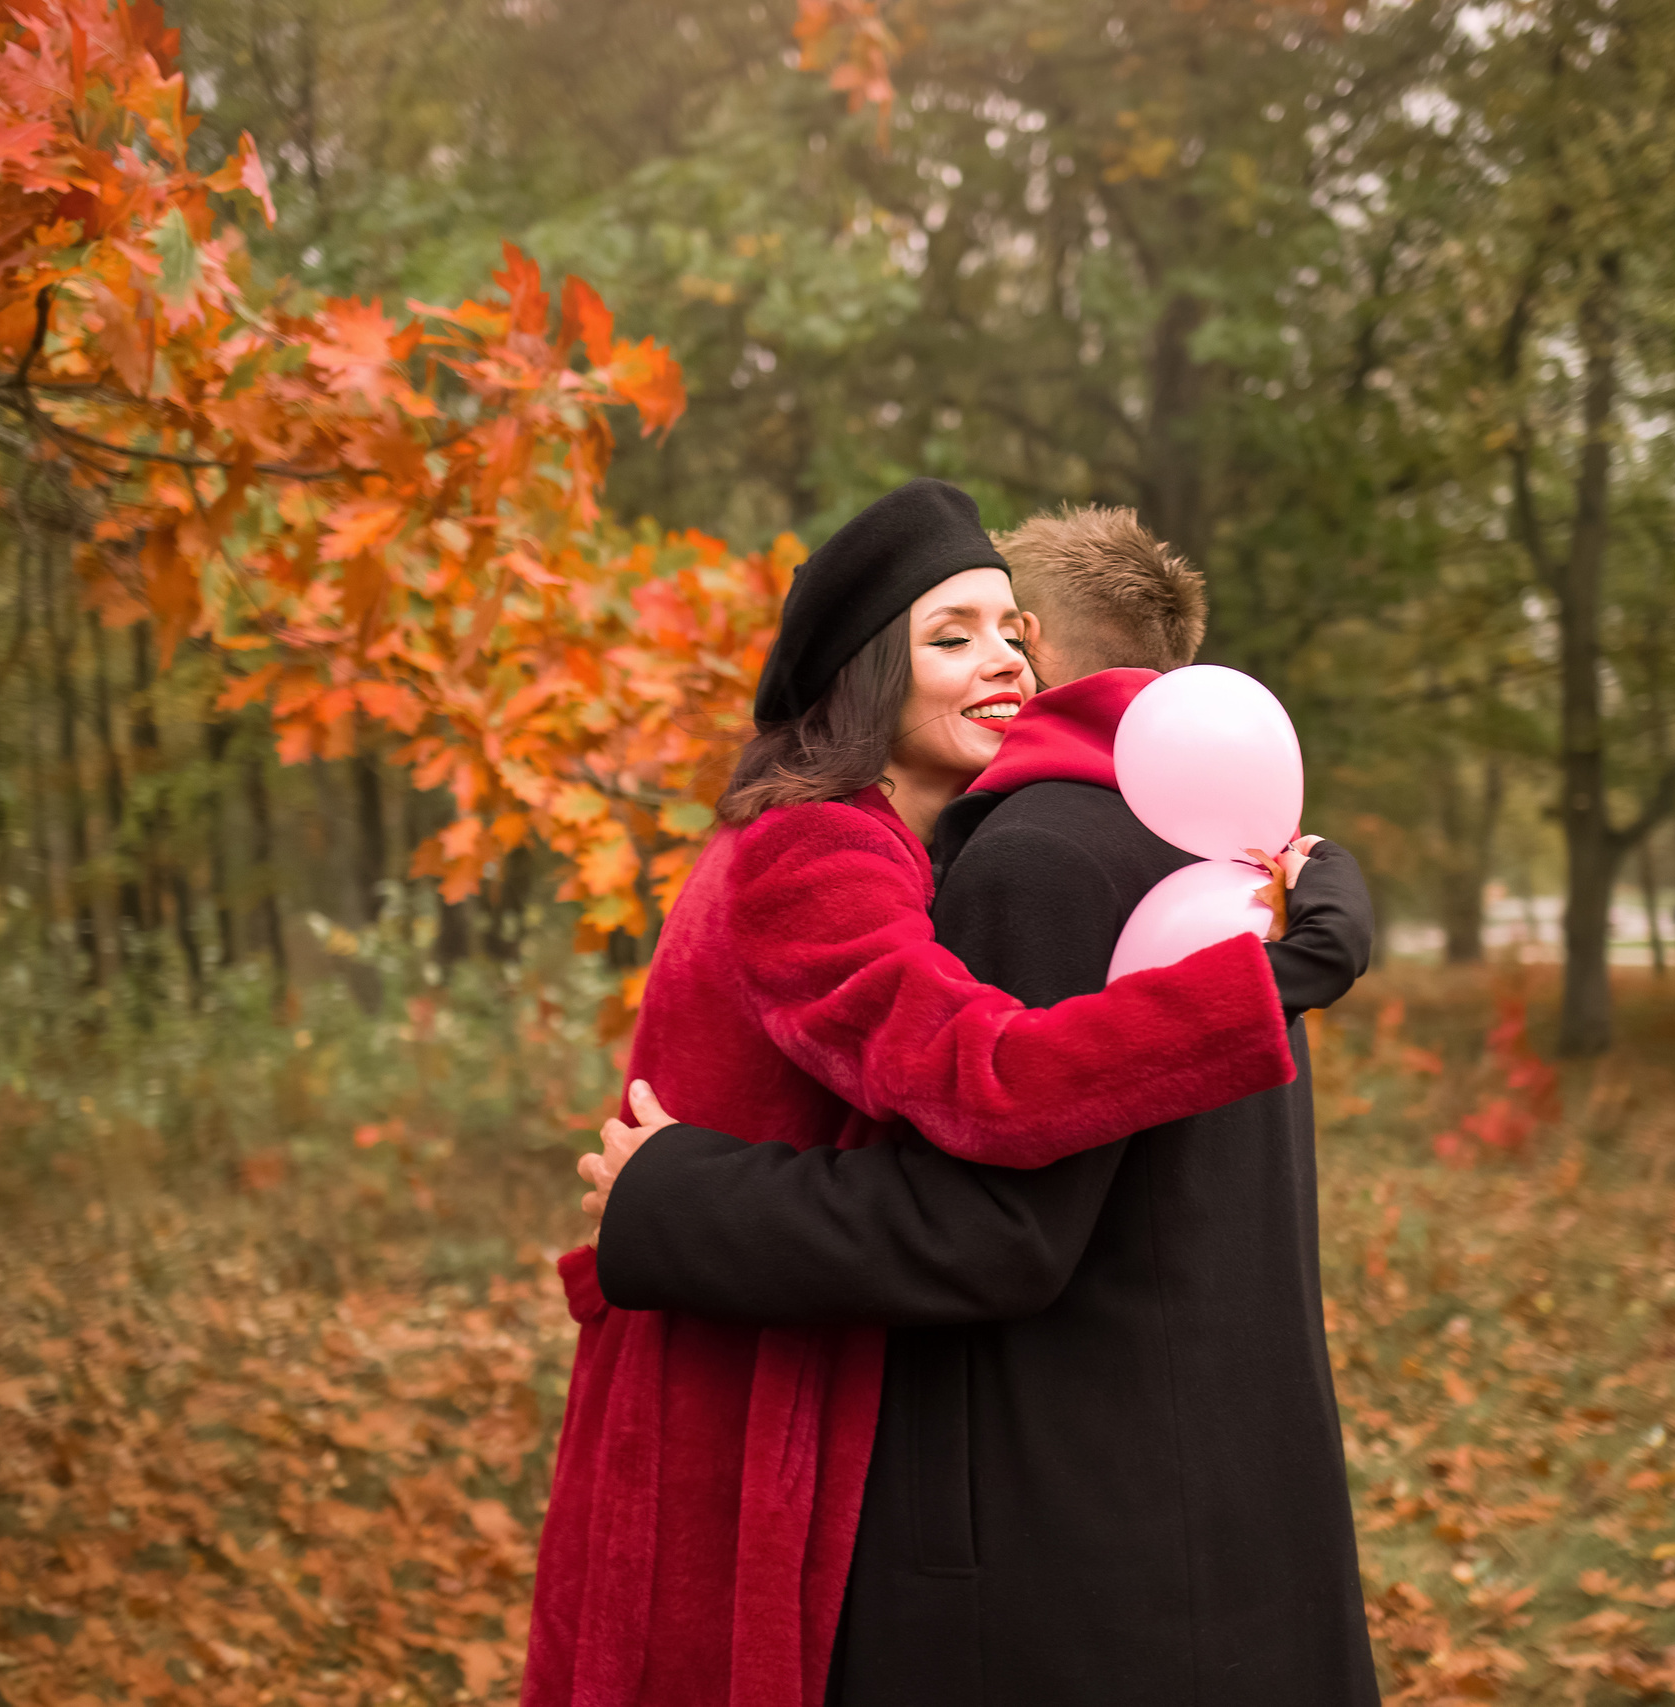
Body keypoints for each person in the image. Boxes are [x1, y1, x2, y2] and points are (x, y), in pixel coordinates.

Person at [521, 482, 1371, 1707]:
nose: (1003, 663)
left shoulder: (1001, 854)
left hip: (943, 1434)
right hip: (739, 1386)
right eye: (953, 635)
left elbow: (995, 1182)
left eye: (1012, 631)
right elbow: (996, 1083)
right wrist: (1279, 974)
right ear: (872, 673)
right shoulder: (823, 849)